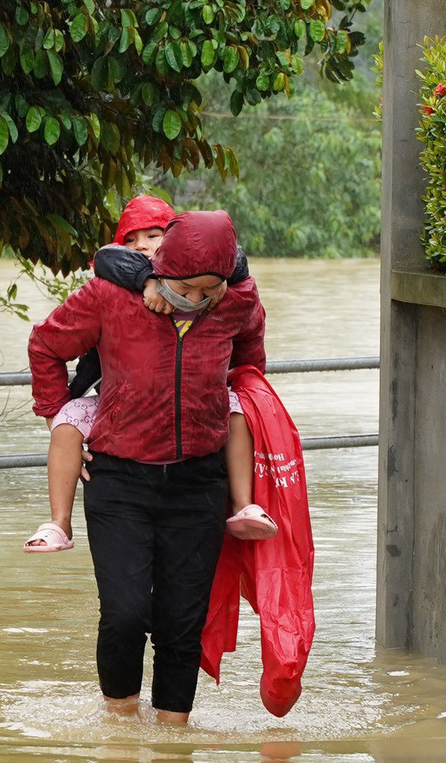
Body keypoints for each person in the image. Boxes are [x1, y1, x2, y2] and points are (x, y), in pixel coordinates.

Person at [28, 211, 266, 725]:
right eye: (187, 288)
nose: (199, 300)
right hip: (118, 480)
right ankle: (118, 733)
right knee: (125, 614)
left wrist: (248, 398)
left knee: (183, 623)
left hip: (199, 483)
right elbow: (46, 345)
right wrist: (57, 416)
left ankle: (173, 743)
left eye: (211, 291)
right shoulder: (111, 297)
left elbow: (249, 357)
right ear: (160, 270)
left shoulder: (239, 300)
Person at [24, 197, 275, 553]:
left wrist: (245, 382)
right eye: (131, 239)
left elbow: (236, 267)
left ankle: (243, 504)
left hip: (195, 453)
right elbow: (48, 340)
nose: (141, 245)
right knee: (65, 423)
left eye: (154, 235)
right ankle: (59, 522)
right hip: (112, 408)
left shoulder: (229, 293)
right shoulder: (109, 285)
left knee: (237, 411)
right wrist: (53, 409)